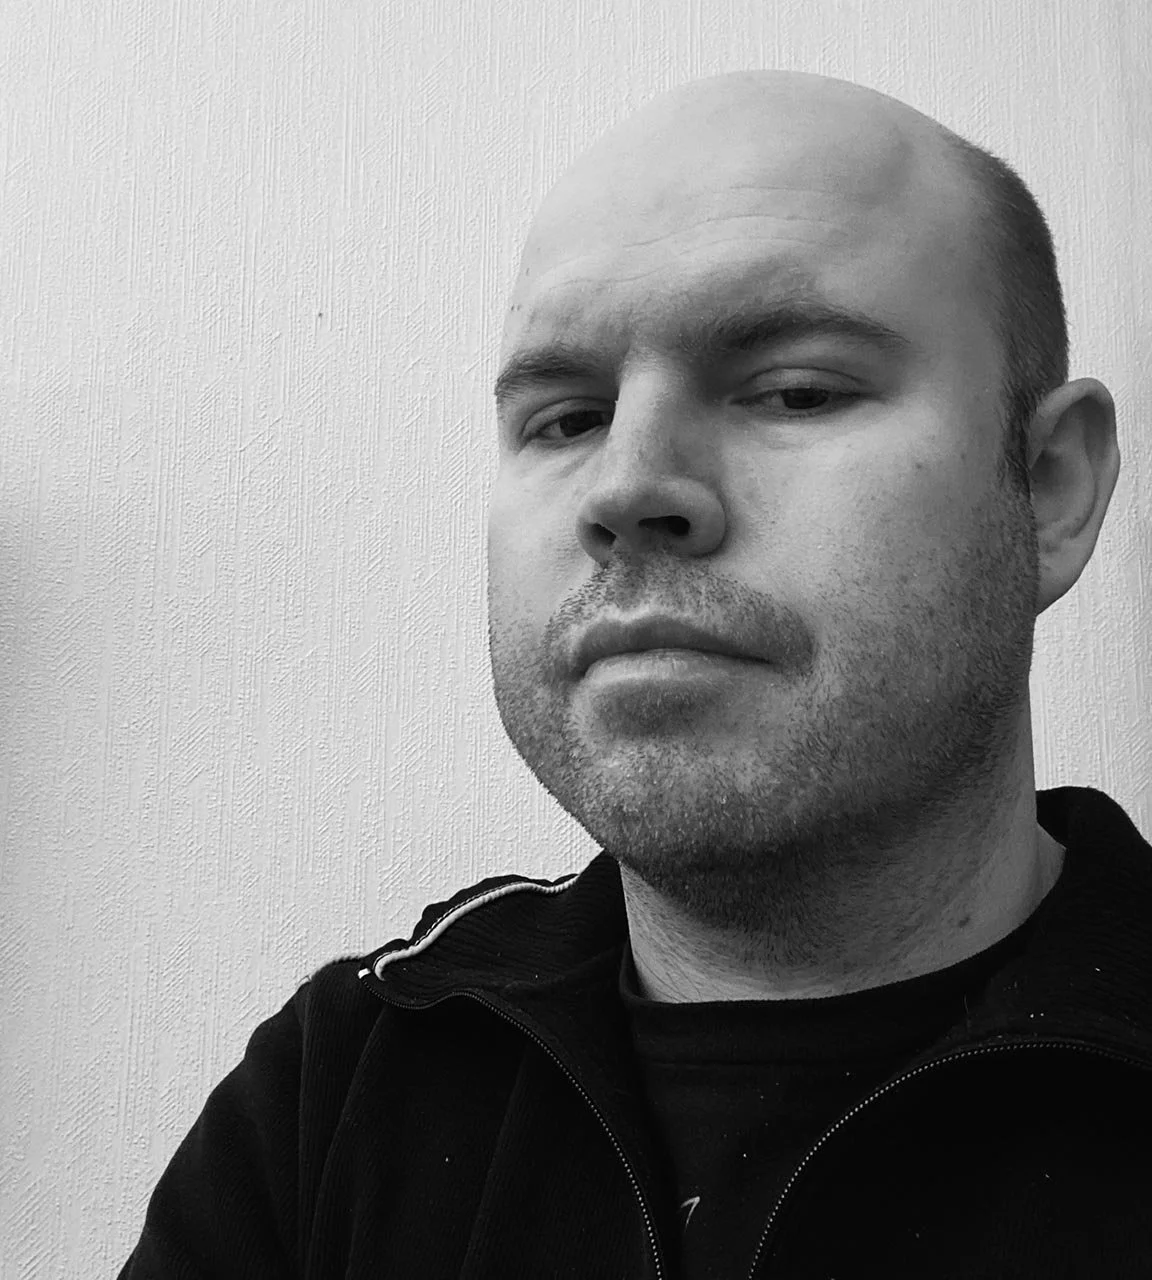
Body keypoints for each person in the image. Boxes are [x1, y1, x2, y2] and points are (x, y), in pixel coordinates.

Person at [118, 70, 1150, 1279]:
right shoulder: (338, 1096)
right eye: (565, 418)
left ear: (1051, 488)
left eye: (796, 390)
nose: (626, 485)